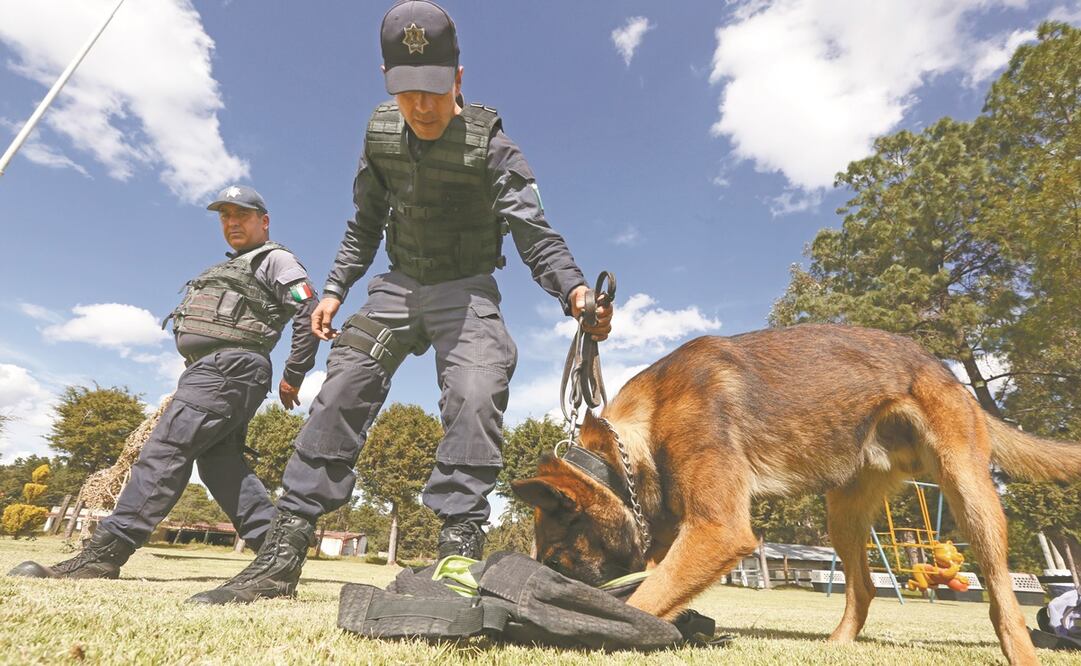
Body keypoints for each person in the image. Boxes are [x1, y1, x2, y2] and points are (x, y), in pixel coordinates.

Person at [189, 0, 612, 605]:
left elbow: (533, 232)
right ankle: (280, 557)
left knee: (477, 385)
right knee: (343, 384)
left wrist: (574, 292)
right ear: (389, 83)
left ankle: (458, 554)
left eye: (435, 90)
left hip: (466, 289)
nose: (421, 106)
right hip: (398, 284)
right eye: (407, 91)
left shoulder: (494, 146)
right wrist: (334, 290)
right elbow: (363, 223)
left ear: (458, 80)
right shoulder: (380, 134)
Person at [8, 185, 319, 581]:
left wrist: (294, 373)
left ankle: (105, 553)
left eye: (241, 214)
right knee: (220, 465)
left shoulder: (275, 258)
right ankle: (278, 550)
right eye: (224, 216)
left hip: (228, 369)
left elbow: (307, 307)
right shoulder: (236, 265)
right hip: (217, 370)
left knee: (165, 450)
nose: (231, 222)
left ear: (264, 221)